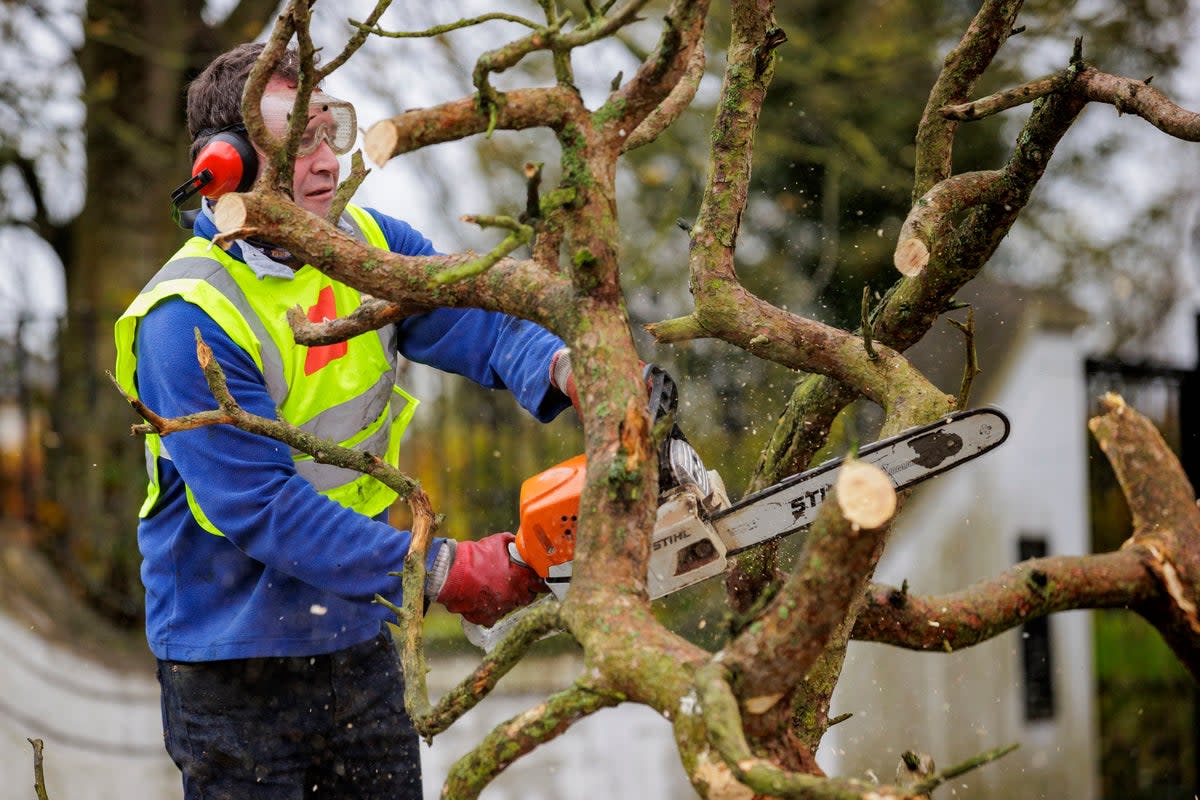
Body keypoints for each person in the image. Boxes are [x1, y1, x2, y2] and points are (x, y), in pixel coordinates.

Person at [113, 42, 580, 800]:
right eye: (297, 144)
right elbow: (264, 509)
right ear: (225, 166)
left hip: (357, 628)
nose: (327, 161)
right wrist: (442, 570)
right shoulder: (185, 319)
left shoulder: (369, 245)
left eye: (330, 132)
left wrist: (567, 367)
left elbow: (475, 321)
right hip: (234, 659)